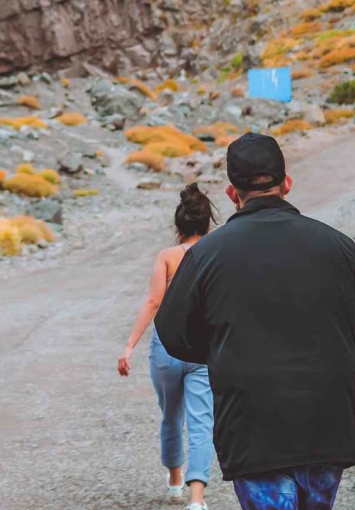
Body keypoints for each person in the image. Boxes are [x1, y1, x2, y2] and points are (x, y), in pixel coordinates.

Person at [154, 133, 355, 510]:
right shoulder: (336, 244)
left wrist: (224, 350)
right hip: (326, 425)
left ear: (232, 193)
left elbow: (171, 332)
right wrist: (331, 346)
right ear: (286, 183)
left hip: (252, 427)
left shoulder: (205, 255)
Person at [117, 184, 219, 510]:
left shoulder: (167, 256)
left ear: (179, 227)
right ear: (208, 224)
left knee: (171, 417)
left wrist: (129, 346)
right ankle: (197, 499)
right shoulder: (217, 252)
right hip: (203, 348)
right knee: (201, 421)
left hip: (165, 348)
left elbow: (153, 301)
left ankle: (175, 480)